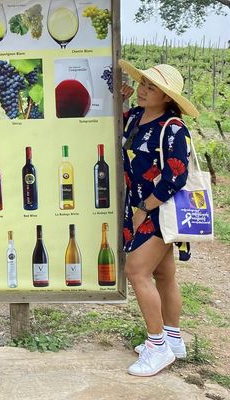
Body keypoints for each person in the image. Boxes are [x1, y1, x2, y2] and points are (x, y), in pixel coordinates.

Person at [118, 61, 199, 377]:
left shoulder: (174, 128)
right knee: (164, 274)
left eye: (152, 87)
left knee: (136, 271)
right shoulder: (137, 117)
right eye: (143, 84)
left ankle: (157, 346)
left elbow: (175, 176)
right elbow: (115, 130)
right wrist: (121, 101)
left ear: (166, 96)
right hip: (147, 206)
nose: (143, 89)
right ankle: (174, 338)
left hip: (161, 208)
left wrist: (143, 209)